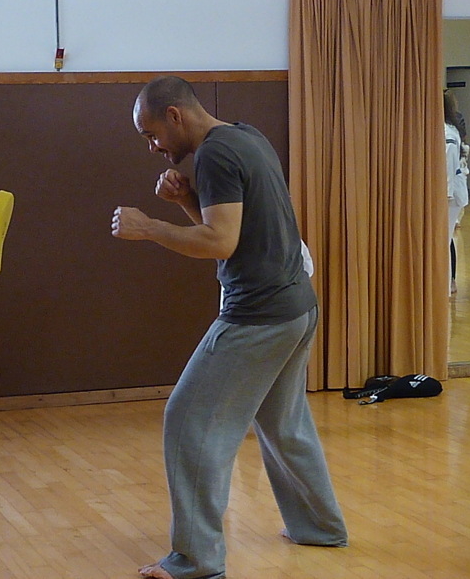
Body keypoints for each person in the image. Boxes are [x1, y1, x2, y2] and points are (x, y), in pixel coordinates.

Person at [111, 76, 347, 579]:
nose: (153, 147)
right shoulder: (244, 135)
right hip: (298, 307)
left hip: (258, 316)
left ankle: (195, 560)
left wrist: (148, 227)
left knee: (187, 420)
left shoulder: (215, 155)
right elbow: (233, 232)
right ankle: (319, 527)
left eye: (152, 134)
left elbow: (219, 242)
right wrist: (183, 202)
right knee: (283, 423)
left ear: (175, 116)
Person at [445, 90, 469, 295]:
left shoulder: (448, 132)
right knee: (444, 239)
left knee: (443, 239)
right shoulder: (447, 129)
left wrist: (447, 192)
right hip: (448, 192)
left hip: (450, 195)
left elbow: (449, 163)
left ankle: (445, 286)